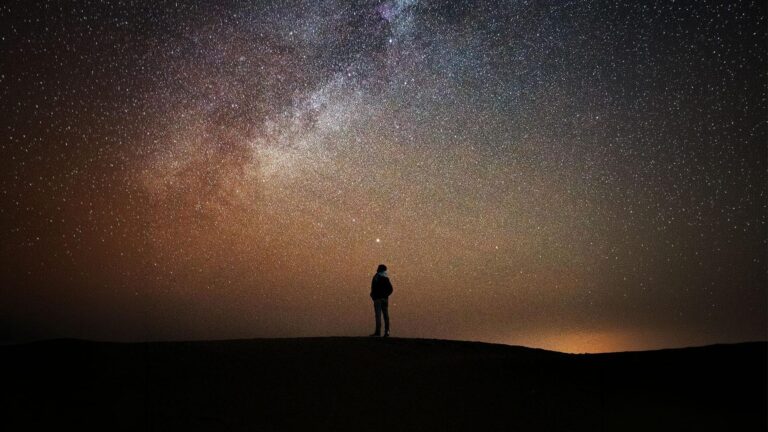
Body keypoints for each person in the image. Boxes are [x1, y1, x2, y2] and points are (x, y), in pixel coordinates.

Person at [369, 264, 393, 337]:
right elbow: (391, 289)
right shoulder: (386, 278)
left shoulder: (376, 277)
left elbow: (373, 288)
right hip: (384, 299)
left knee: (378, 315)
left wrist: (373, 296)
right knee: (386, 315)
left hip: (378, 299)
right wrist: (386, 295)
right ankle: (387, 332)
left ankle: (378, 332)